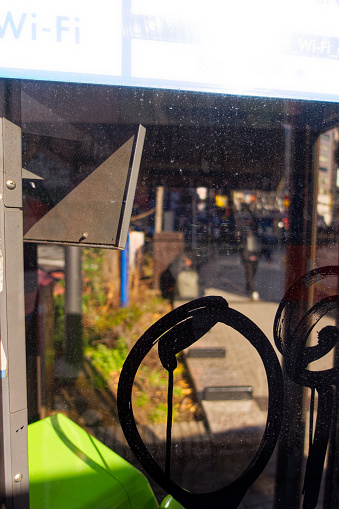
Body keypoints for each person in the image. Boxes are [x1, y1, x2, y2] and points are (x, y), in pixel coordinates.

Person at [240, 220, 261, 300]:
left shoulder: (257, 236)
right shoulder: (246, 237)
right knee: (250, 275)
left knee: (252, 275)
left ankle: (248, 288)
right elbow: (243, 248)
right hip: (248, 259)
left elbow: (261, 247)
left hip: (253, 259)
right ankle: (253, 290)